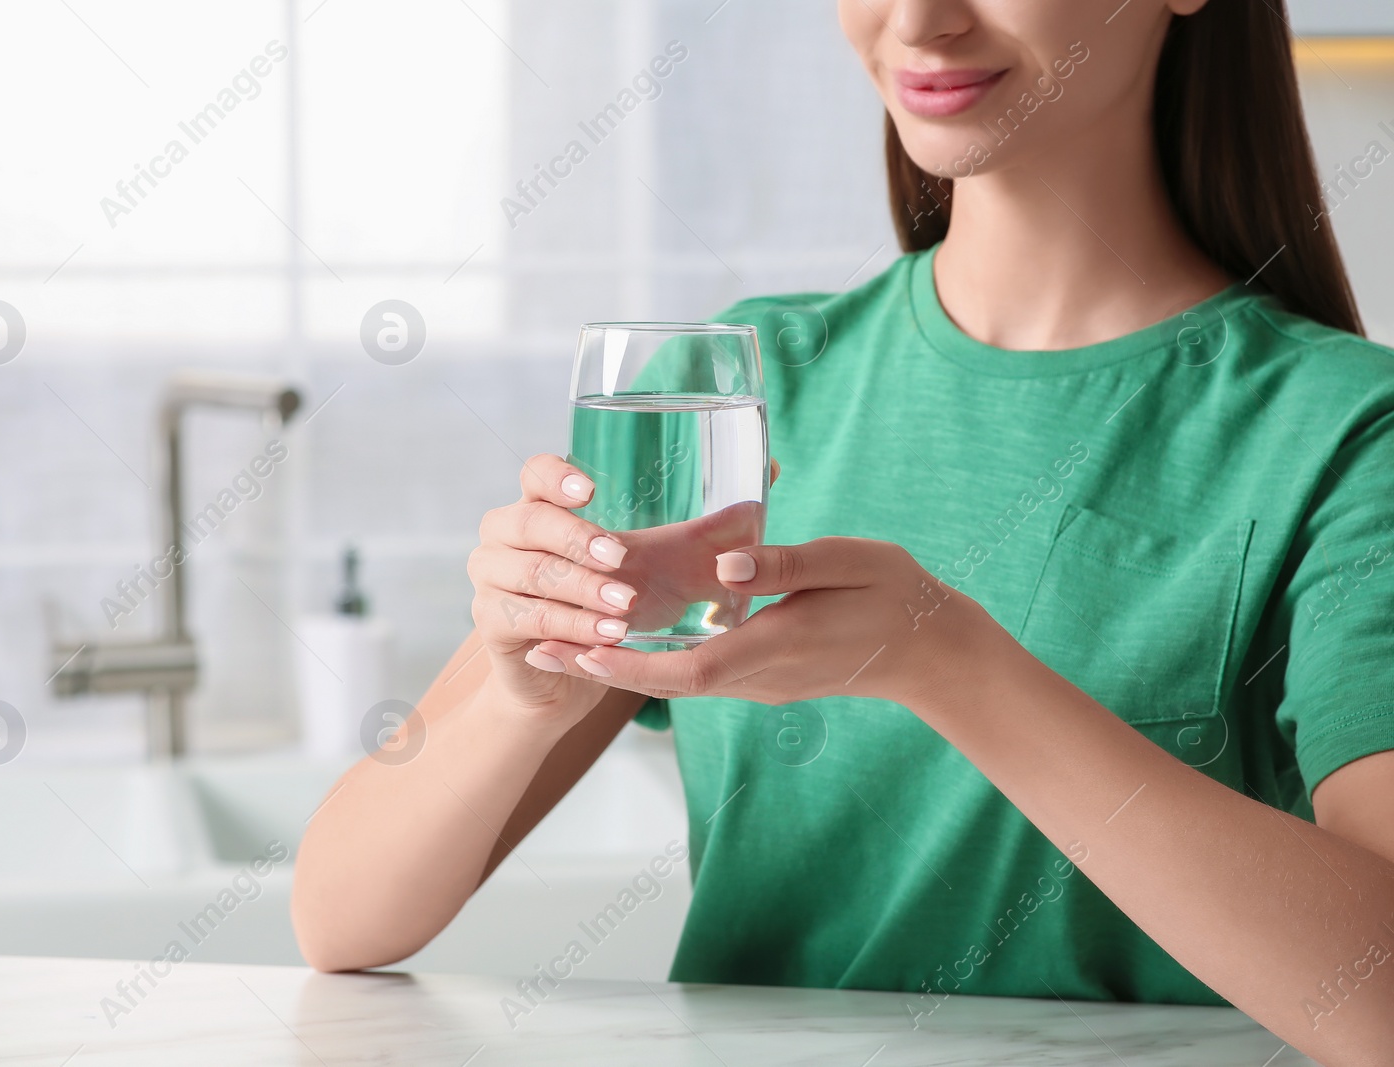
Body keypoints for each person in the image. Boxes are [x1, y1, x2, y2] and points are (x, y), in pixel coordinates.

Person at [292, 1, 1394, 1061]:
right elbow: (338, 919)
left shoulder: (1348, 433)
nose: (917, 20)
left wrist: (949, 664)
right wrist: (519, 696)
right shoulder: (726, 388)